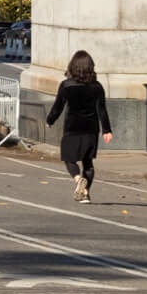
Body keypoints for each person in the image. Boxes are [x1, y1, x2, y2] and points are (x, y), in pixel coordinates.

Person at [45, 48, 114, 203]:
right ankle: (85, 192)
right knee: (88, 162)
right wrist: (107, 130)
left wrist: (50, 120)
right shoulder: (97, 87)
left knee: (69, 158)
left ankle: (78, 179)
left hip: (72, 126)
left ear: (72, 66)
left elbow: (58, 106)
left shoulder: (66, 85)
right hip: (91, 128)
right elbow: (101, 109)